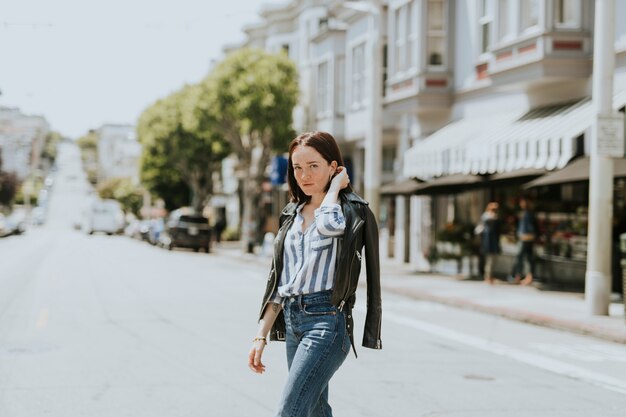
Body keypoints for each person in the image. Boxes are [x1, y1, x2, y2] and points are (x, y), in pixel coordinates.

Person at [248, 131, 382, 417]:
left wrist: (333, 191)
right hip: (295, 319)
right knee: (315, 410)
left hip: (327, 322)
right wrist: (260, 335)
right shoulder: (292, 214)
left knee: (290, 410)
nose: (304, 175)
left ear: (334, 167)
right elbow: (282, 281)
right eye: (297, 167)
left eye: (313, 166)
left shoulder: (347, 211)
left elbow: (329, 227)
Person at [511, 198, 537, 285]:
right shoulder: (526, 213)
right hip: (527, 237)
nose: (521, 203)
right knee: (528, 258)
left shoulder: (527, 213)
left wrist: (524, 234)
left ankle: (519, 276)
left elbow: (529, 226)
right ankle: (528, 277)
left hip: (525, 238)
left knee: (520, 257)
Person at [476, 202, 501, 284]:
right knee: (490, 260)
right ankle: (488, 277)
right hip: (489, 243)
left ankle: (489, 276)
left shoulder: (488, 218)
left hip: (491, 242)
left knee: (491, 260)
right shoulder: (488, 218)